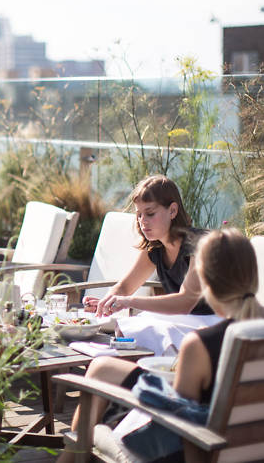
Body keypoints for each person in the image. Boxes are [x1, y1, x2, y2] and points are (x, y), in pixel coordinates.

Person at [59, 228, 264, 462]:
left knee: (91, 423)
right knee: (102, 367)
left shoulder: (200, 346)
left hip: (194, 451)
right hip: (248, 447)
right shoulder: (247, 334)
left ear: (205, 282)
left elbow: (176, 422)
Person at [84, 175, 213, 318]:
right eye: (139, 214)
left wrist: (128, 302)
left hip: (218, 322)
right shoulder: (155, 249)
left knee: (131, 330)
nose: (142, 220)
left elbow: (185, 302)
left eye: (150, 213)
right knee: (125, 329)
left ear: (172, 211)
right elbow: (125, 287)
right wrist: (106, 302)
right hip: (186, 319)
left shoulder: (200, 244)